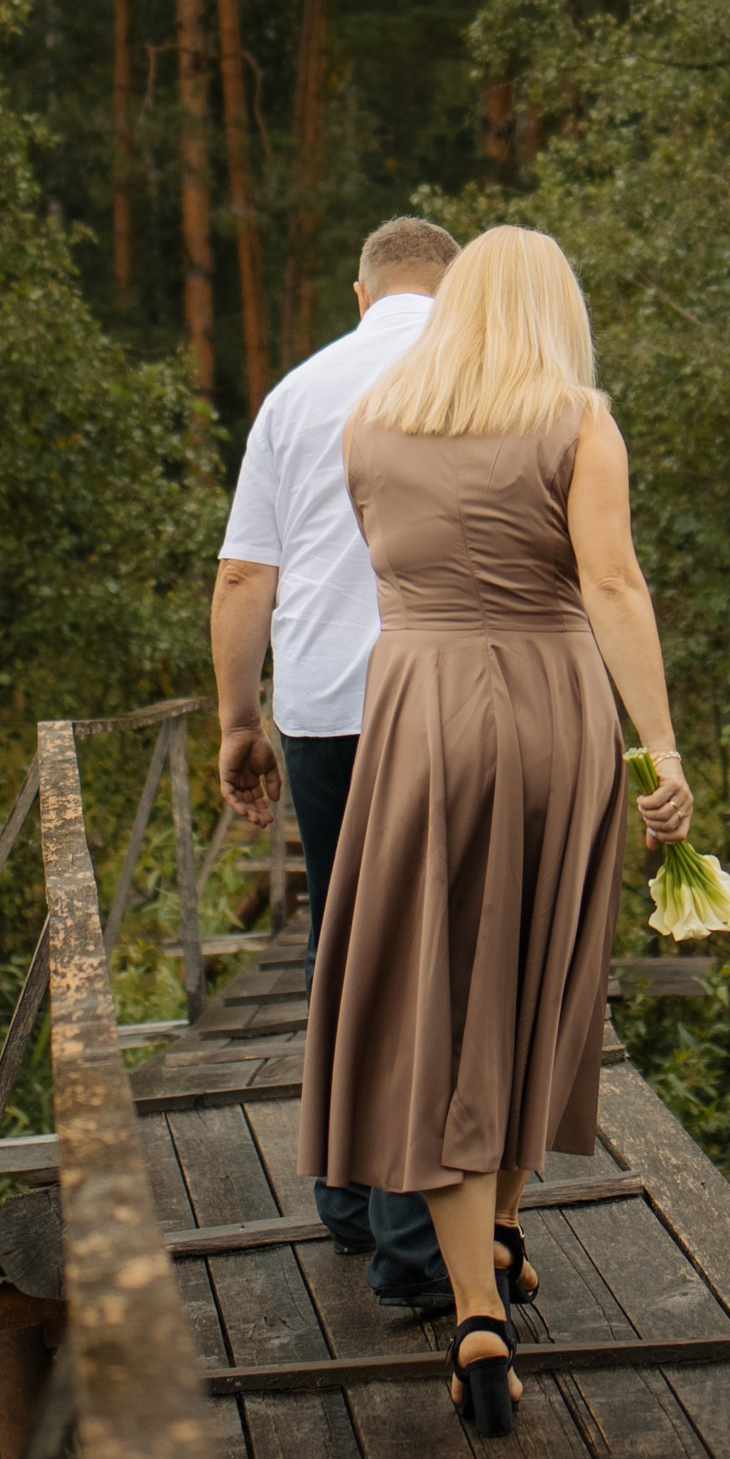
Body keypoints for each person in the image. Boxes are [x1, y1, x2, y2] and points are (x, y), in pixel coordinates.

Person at [299, 224, 694, 1439]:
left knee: (442, 992)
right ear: (551, 310)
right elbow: (612, 583)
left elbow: (387, 563)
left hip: (418, 709)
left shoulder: (369, 426)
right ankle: (504, 1234)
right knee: (534, 974)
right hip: (549, 710)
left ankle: (478, 1301)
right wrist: (662, 748)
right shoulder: (577, 417)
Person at [211, 215, 458, 1310]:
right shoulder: (493, 380)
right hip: (453, 697)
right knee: (432, 947)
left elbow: (241, 578)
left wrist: (237, 720)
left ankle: (349, 1197)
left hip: (321, 706)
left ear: (359, 296)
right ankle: (413, 1241)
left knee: (347, 932)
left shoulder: (296, 393)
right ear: (451, 294)